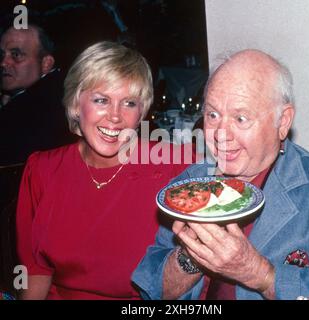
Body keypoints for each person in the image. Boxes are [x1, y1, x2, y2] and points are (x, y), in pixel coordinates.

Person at [132, 49, 309, 300]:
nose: (221, 134)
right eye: (212, 115)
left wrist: (259, 273)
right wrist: (192, 257)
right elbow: (153, 292)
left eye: (240, 118)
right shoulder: (189, 186)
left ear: (283, 121)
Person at [15, 41, 190, 300]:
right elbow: (35, 270)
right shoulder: (42, 169)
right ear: (76, 104)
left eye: (129, 103)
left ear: (142, 112)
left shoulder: (175, 166)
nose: (115, 116)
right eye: (101, 100)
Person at [0, 24, 74, 166]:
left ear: (46, 63)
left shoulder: (41, 108)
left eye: (16, 55)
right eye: (2, 55)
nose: (3, 63)